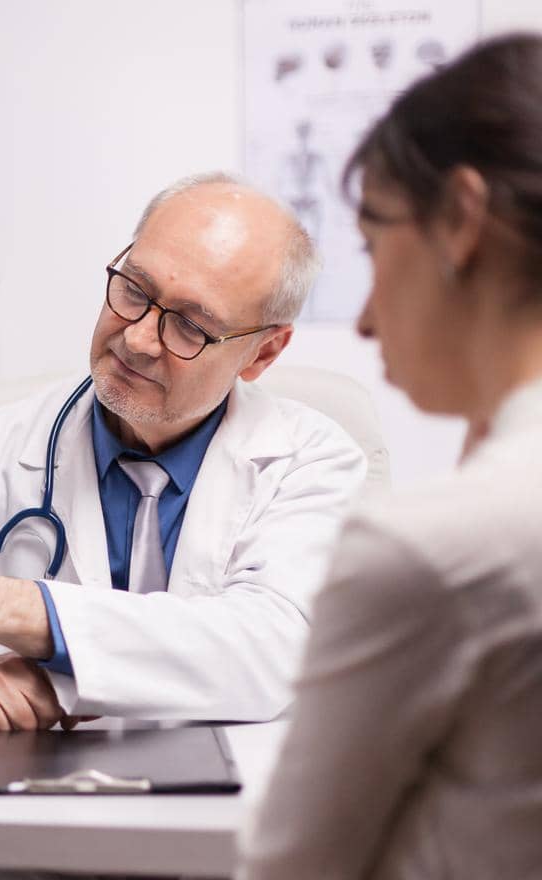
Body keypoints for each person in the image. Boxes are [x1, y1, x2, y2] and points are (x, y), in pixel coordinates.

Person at [0, 173, 368, 732]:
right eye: (133, 291)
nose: (138, 339)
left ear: (263, 351)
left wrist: (7, 607)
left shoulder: (313, 461)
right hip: (18, 793)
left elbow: (277, 650)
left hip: (223, 801)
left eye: (190, 326)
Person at [241, 34, 542, 878]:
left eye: (373, 247)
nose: (366, 319)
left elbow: (290, 866)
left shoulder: (434, 545)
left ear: (460, 221)